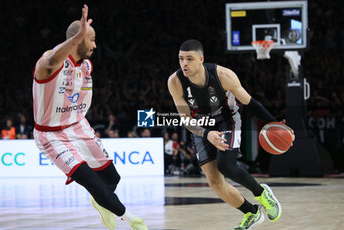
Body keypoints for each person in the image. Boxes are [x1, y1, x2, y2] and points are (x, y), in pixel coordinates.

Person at [32, 5, 147, 230]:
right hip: (51, 135)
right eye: (91, 39)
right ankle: (134, 220)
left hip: (78, 127)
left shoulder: (86, 65)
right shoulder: (48, 64)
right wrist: (76, 37)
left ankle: (102, 202)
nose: (95, 45)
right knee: (93, 183)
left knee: (112, 179)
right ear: (77, 40)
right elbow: (51, 59)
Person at [168, 39, 294, 229]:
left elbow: (250, 103)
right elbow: (186, 120)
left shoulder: (223, 75)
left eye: (189, 59)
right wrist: (207, 134)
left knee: (225, 165)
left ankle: (261, 193)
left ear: (201, 59)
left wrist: (274, 123)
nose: (184, 63)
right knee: (215, 183)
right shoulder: (175, 82)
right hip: (201, 126)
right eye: (181, 59)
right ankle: (251, 213)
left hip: (227, 119)